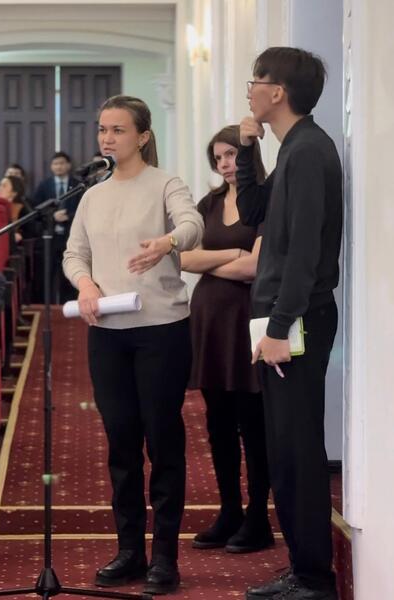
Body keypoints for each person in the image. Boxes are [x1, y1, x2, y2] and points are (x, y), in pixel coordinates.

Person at [63, 95, 204, 595]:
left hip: (160, 330)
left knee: (161, 440)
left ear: (142, 136)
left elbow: (192, 226)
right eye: (103, 129)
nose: (107, 138)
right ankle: (129, 550)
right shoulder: (93, 195)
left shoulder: (165, 183)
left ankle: (165, 555)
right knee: (121, 443)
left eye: (118, 130)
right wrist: (85, 284)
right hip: (107, 333)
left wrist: (167, 243)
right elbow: (74, 253)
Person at [236, 47, 342, 600]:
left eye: (254, 81)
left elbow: (303, 251)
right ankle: (302, 567)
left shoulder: (308, 150)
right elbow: (253, 210)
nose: (248, 90)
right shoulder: (293, 146)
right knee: (283, 449)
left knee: (298, 450)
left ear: (276, 91)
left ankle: (315, 578)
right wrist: (247, 147)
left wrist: (279, 327)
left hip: (295, 320)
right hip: (283, 318)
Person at [181, 125, 273, 554]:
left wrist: (212, 263)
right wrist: (231, 255)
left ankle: (258, 518)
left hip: (247, 321)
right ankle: (229, 511)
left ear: (248, 154)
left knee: (252, 423)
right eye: (217, 158)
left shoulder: (263, 201)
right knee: (217, 423)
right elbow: (184, 257)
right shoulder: (209, 203)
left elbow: (255, 268)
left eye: (231, 155)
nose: (224, 164)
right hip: (211, 323)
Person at [33, 151, 82, 303]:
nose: (58, 166)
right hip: (50, 236)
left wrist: (69, 216)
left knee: (69, 272)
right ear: (51, 167)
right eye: (55, 164)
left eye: (61, 163)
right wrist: (52, 216)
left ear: (68, 165)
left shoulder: (78, 185)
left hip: (70, 235)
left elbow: (83, 208)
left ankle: (69, 303)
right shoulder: (44, 185)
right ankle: (47, 304)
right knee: (47, 273)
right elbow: (36, 209)